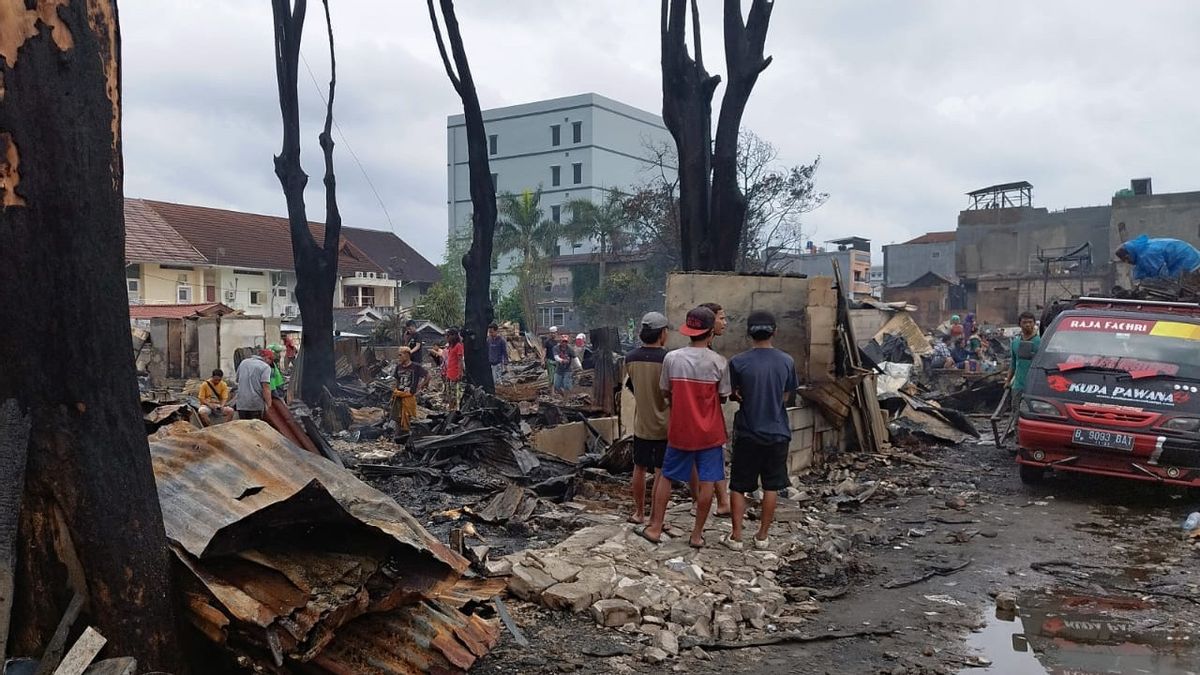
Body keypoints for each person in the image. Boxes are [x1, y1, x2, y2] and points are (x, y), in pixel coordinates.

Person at [640, 306, 730, 548]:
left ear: (689, 331)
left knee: (667, 476)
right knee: (708, 481)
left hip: (680, 429)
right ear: (710, 332)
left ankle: (656, 527)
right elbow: (723, 396)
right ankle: (697, 535)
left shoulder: (672, 358)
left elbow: (665, 390)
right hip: (710, 432)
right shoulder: (719, 362)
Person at [724, 311, 798, 551]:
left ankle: (736, 536)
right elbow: (787, 395)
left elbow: (733, 392)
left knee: (738, 485)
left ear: (749, 333)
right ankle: (763, 536)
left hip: (747, 432)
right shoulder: (787, 361)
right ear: (774, 331)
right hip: (777, 433)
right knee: (771, 486)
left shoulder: (737, 362)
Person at [625, 312, 671, 525]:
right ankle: (656, 515)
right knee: (661, 471)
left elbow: (632, 387)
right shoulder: (668, 358)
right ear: (662, 333)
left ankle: (639, 512)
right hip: (664, 425)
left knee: (639, 468)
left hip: (641, 423)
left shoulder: (631, 358)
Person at [696, 302, 732, 518]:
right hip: (707, 421)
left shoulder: (704, 353)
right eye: (721, 318)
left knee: (711, 462)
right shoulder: (712, 358)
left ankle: (721, 501)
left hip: (700, 420)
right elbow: (722, 395)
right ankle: (704, 505)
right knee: (708, 465)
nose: (724, 323)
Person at [1007, 311, 1041, 430]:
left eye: (1030, 322)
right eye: (1024, 322)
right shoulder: (1015, 342)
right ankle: (1017, 437)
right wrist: (1008, 381)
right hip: (1018, 384)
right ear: (1020, 324)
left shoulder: (1040, 342)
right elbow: (1013, 364)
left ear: (1034, 324)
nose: (1027, 325)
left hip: (1035, 385)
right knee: (1016, 411)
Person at [1116, 235, 1200, 282]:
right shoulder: (1141, 250)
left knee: (1186, 288)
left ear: (1129, 255)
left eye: (1127, 259)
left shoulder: (1147, 254)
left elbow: (1161, 275)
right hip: (1187, 256)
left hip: (1189, 261)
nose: (1128, 262)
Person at [390, 346, 429, 439]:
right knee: (397, 417)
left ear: (407, 355)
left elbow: (427, 376)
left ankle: (408, 436)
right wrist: (394, 391)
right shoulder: (398, 367)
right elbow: (396, 380)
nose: (399, 357)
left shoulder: (416, 367)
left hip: (409, 396)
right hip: (399, 394)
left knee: (408, 416)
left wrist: (420, 386)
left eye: (400, 355)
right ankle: (398, 436)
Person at [234, 349, 274, 420]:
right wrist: (269, 406)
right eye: (270, 362)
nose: (269, 364)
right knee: (254, 430)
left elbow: (237, 380)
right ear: (267, 358)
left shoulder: (243, 362)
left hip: (241, 404)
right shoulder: (265, 367)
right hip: (255, 405)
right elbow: (266, 387)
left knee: (243, 429)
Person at [444, 328, 465, 411]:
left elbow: (460, 360)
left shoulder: (458, 346)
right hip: (449, 372)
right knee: (448, 393)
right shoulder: (450, 347)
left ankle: (454, 410)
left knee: (454, 394)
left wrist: (460, 373)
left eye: (448, 336)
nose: (447, 338)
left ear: (453, 336)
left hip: (455, 373)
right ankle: (450, 408)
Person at [543, 326, 559, 390]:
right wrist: (542, 360)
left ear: (556, 333)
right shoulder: (547, 342)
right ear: (549, 334)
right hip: (549, 361)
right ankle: (552, 393)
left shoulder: (556, 343)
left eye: (554, 333)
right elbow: (544, 351)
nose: (553, 334)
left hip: (556, 361)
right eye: (551, 333)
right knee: (551, 377)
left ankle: (555, 391)